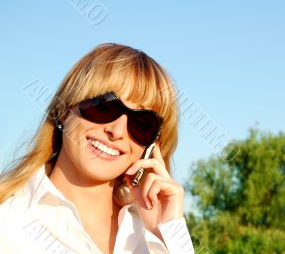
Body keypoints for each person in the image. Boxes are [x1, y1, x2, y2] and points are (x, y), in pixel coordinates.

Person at [0, 43, 195, 254]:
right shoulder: (8, 222)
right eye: (104, 107)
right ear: (64, 110)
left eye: (142, 123)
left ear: (151, 147)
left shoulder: (157, 237)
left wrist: (168, 235)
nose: (117, 131)